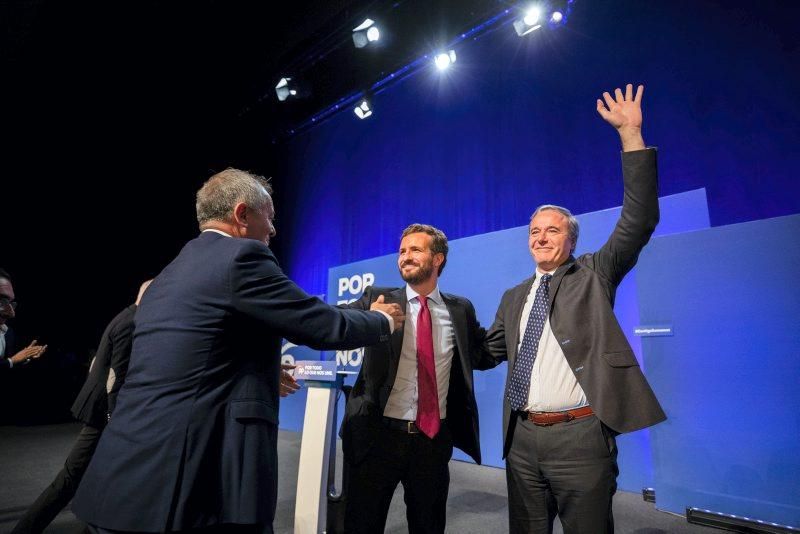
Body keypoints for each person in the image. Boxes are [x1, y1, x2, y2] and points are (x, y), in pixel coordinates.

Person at [71, 168, 404, 534]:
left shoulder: (169, 274)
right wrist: (381, 320)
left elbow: (189, 354)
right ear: (242, 214)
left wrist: (254, 367)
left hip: (125, 474)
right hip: (192, 479)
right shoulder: (241, 258)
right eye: (270, 217)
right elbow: (323, 325)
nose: (274, 230)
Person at [481, 84, 666, 534]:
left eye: (551, 230)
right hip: (522, 440)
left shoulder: (594, 274)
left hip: (581, 438)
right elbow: (486, 353)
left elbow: (639, 220)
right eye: (533, 231)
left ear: (572, 240)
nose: (540, 237)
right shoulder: (514, 296)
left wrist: (630, 136)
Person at [341, 223, 488, 534]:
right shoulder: (376, 299)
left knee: (428, 526)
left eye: (415, 250)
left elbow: (484, 352)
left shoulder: (459, 309)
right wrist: (370, 319)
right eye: (402, 251)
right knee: (361, 525)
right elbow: (335, 324)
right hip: (376, 437)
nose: (405, 257)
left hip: (431, 442)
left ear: (437, 259)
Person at [12, 280, 151, 534]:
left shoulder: (126, 315)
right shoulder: (132, 323)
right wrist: (114, 418)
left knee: (102, 476)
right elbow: (115, 376)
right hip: (103, 413)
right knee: (70, 479)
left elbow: (98, 361)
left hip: (99, 408)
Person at [0, 268, 46, 372]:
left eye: (11, 303)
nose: (11, 314)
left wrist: (25, 356)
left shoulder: (8, 333)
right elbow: (10, 361)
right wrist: (12, 361)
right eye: (1, 300)